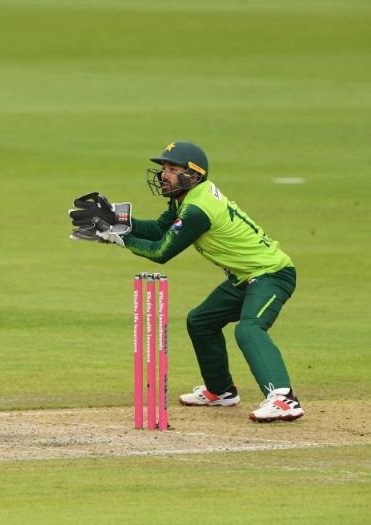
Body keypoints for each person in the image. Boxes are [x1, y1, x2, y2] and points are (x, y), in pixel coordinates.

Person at [69, 141, 304, 423]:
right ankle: (221, 391)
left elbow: (161, 252)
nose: (164, 175)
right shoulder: (185, 198)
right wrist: (121, 221)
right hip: (245, 278)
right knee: (201, 321)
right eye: (163, 169)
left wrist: (118, 237)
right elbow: (158, 230)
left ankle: (284, 398)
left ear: (194, 174)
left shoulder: (197, 210)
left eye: (172, 169)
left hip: (271, 274)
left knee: (249, 328)